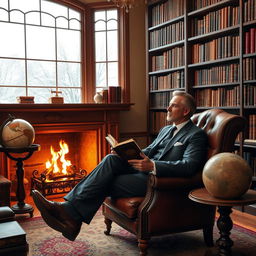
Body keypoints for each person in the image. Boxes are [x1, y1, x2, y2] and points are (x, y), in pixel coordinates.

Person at [32, 91, 208, 242]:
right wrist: (123, 152)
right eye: (169, 105)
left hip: (157, 179)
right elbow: (148, 150)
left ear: (185, 111)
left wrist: (153, 165)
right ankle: (70, 216)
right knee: (111, 159)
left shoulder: (196, 135)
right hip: (142, 169)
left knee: (104, 181)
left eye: (173, 106)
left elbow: (189, 166)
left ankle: (70, 217)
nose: (167, 109)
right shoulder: (167, 129)